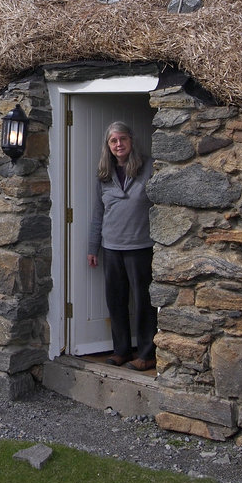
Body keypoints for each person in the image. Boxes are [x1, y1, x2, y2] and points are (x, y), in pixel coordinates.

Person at [86, 121, 157, 371]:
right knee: (116, 302)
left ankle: (147, 354)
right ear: (108, 145)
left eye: (122, 139)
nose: (119, 144)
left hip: (140, 246)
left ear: (131, 140)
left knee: (143, 303)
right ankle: (122, 351)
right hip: (111, 247)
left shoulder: (149, 166)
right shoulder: (104, 174)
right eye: (113, 141)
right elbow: (98, 214)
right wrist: (93, 247)